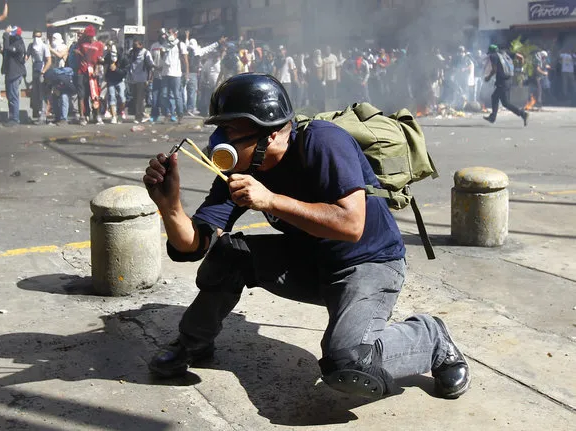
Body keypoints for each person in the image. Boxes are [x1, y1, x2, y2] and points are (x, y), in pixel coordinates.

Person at [142, 73, 471, 401]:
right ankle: (193, 342)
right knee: (228, 256)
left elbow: (350, 224)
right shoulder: (242, 170)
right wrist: (170, 207)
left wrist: (271, 200)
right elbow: (196, 243)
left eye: (229, 130)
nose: (218, 140)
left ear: (268, 135)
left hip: (367, 262)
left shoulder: (324, 142)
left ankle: (431, 339)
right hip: (310, 262)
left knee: (348, 362)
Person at [483, 44, 529, 126]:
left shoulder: (493, 56)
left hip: (502, 81)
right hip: (508, 80)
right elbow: (521, 57)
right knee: (496, 98)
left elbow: (494, 69)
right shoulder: (505, 53)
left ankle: (522, 114)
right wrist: (519, 69)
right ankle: (493, 117)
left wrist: (488, 77)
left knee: (505, 103)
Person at [75, 25, 104, 125]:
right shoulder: (81, 43)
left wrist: (97, 69)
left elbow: (99, 59)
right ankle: (83, 116)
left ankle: (96, 114)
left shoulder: (99, 45)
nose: (89, 38)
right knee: (82, 95)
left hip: (93, 72)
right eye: (87, 36)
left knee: (94, 94)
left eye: (91, 36)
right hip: (81, 71)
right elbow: (76, 51)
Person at [1, 25, 26, 127]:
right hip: (10, 73)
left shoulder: (19, 44)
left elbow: (8, 49)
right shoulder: (13, 43)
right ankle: (12, 117)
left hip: (15, 74)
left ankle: (15, 119)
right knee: (10, 96)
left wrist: (6, 34)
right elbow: (6, 51)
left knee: (13, 97)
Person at [26, 29, 52, 125]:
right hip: (34, 71)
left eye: (39, 36)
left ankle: (43, 116)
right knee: (36, 94)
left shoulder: (44, 46)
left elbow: (49, 61)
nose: (37, 38)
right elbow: (26, 56)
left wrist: (43, 71)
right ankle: (39, 114)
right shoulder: (31, 46)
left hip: (42, 71)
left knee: (42, 94)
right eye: (36, 36)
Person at [127, 38, 153, 124]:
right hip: (133, 78)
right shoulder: (131, 52)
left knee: (140, 99)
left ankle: (139, 116)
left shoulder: (146, 53)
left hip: (142, 78)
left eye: (137, 45)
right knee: (135, 98)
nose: (135, 47)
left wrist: (149, 79)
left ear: (141, 45)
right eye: (134, 45)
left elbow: (150, 66)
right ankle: (139, 114)